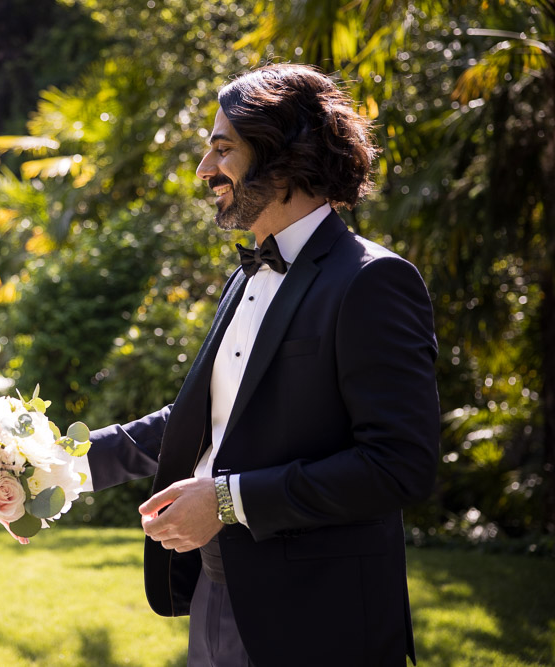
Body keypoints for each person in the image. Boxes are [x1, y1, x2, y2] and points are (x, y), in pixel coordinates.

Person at [82, 64, 439, 666]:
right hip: (216, 592)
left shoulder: (373, 281)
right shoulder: (246, 275)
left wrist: (228, 501)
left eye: (223, 149)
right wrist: (49, 465)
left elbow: (399, 465)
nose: (204, 169)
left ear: (285, 157)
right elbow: (212, 421)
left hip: (319, 618)